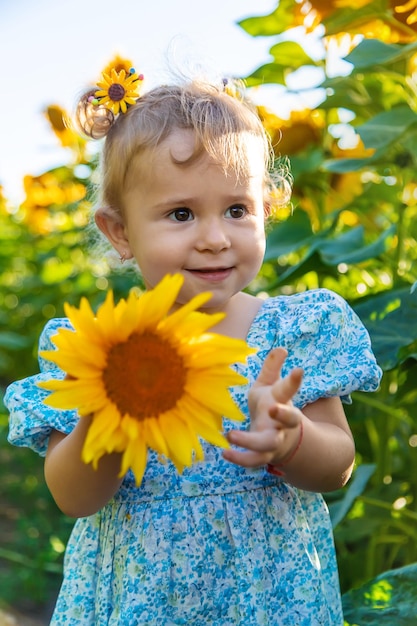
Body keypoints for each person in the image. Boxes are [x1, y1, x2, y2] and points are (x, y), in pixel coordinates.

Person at [5, 62, 382, 625]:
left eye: (237, 210)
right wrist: (106, 417)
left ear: (266, 209)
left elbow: (338, 466)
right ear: (121, 232)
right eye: (180, 214)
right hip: (141, 599)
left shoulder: (295, 332)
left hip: (269, 595)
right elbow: (74, 497)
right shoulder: (92, 348)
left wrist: (292, 437)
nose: (214, 238)